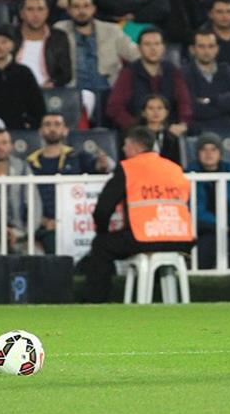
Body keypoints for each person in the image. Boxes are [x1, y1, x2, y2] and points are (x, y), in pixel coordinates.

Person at [81, 127, 193, 303]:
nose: (123, 149)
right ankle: (159, 297)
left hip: (144, 237)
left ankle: (95, 302)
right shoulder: (174, 168)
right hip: (181, 239)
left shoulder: (129, 168)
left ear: (135, 146)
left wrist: (101, 230)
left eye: (125, 145)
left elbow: (103, 208)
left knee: (101, 245)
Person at [27, 112, 114, 253]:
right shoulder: (30, 163)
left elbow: (101, 168)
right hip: (44, 226)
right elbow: (24, 200)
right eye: (47, 124)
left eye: (57, 124)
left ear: (65, 130)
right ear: (40, 131)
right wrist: (43, 221)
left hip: (76, 223)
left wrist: (104, 164)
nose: (52, 128)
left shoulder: (78, 157)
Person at [106, 27, 191, 135]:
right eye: (147, 44)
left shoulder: (172, 71)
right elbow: (114, 107)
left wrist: (183, 123)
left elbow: (184, 102)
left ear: (163, 47)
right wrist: (135, 127)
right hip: (137, 133)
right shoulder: (129, 73)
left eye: (157, 44)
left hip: (169, 131)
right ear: (139, 48)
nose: (153, 49)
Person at [54, 0, 140, 94]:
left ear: (93, 9)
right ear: (69, 10)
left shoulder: (112, 30)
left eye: (86, 6)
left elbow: (135, 54)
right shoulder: (60, 30)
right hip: (72, 92)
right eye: (76, 7)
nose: (81, 11)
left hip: (108, 90)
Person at [185, 132, 230, 270]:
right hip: (205, 228)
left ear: (220, 153)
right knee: (207, 239)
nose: (209, 153)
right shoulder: (189, 174)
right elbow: (195, 207)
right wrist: (219, 224)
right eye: (204, 149)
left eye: (213, 149)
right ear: (198, 153)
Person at [0, 127, 43, 253]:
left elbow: (35, 205)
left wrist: (27, 233)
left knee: (36, 255)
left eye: (4, 143)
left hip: (20, 233)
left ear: (11, 146)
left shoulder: (23, 169)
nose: (0, 147)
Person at [182, 29, 230, 134]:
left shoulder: (226, 70)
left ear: (217, 49)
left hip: (229, 130)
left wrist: (212, 100)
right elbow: (194, 109)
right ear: (192, 49)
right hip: (199, 132)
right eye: (201, 46)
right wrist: (225, 101)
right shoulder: (185, 73)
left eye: (211, 46)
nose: (206, 51)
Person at [13, 0, 71, 89]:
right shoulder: (10, 35)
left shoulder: (58, 37)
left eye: (40, 9)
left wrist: (53, 84)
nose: (36, 14)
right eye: (30, 9)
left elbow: (66, 74)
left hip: (47, 91)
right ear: (21, 13)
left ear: (47, 12)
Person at [140, 94, 182, 165]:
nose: (155, 112)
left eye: (159, 108)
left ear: (166, 112)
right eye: (151, 108)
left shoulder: (172, 138)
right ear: (143, 112)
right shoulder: (136, 136)